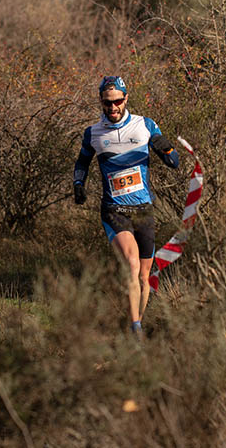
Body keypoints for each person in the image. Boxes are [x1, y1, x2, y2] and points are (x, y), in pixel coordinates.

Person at [73, 76, 180, 336]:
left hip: (144, 209)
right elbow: (82, 162)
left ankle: (136, 324)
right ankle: (135, 331)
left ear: (126, 99)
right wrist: (78, 184)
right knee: (131, 264)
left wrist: (166, 150)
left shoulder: (145, 125)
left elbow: (174, 162)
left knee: (144, 277)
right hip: (114, 211)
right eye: (107, 103)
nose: (112, 108)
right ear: (101, 102)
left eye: (117, 102)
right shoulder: (93, 133)